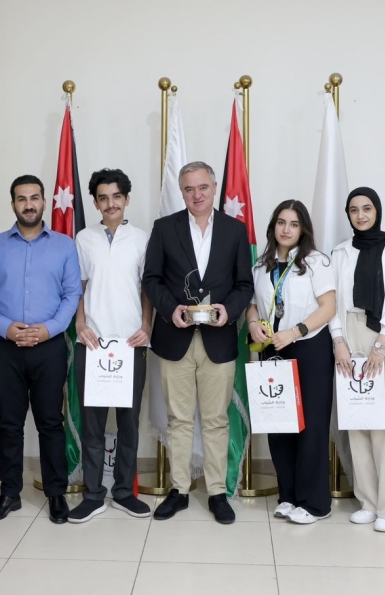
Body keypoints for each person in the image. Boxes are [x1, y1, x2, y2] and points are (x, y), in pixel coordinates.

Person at [142, 161, 254, 525]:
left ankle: (217, 492)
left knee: (216, 419)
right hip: (174, 337)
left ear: (215, 187)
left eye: (203, 187)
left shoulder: (235, 230)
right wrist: (170, 308)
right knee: (178, 419)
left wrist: (229, 310)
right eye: (189, 189)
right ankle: (179, 490)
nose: (197, 195)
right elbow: (151, 279)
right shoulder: (164, 228)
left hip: (218, 340)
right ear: (182, 191)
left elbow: (245, 285)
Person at [0, 175, 82, 524]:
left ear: (44, 202)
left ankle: (56, 493)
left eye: (34, 197)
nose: (29, 204)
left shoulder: (64, 246)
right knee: (9, 423)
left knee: (50, 422)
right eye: (22, 199)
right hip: (6, 348)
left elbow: (72, 294)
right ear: (13, 205)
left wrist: (49, 328)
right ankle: (9, 493)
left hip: (49, 348)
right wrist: (5, 327)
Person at [69, 168, 153, 523]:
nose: (110, 203)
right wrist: (80, 323)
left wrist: (146, 326)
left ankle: (123, 493)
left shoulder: (141, 239)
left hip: (131, 344)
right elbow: (77, 287)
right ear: (95, 203)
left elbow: (147, 288)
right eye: (103, 198)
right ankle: (92, 495)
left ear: (126, 199)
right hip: (92, 344)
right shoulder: (83, 239)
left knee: (129, 422)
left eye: (116, 196)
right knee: (92, 424)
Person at [245, 200, 337, 524]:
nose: (286, 229)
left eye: (294, 224)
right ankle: (288, 495)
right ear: (273, 227)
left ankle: (315, 503)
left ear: (303, 229)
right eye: (281, 223)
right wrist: (252, 323)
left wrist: (295, 332)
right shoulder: (261, 264)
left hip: (308, 347)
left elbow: (328, 308)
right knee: (279, 424)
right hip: (273, 347)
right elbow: (254, 305)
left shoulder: (316, 261)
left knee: (310, 426)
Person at [329, 187, 385, 533]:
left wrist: (381, 343)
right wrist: (338, 341)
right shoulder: (340, 251)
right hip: (348, 332)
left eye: (367, 208)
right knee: (357, 420)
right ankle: (368, 502)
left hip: (384, 336)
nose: (361, 215)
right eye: (354, 210)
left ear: (377, 211)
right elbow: (333, 301)